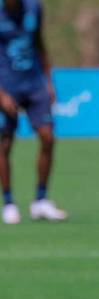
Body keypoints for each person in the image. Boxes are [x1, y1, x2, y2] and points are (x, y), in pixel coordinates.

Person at [0, 0, 65, 225]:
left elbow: (39, 44)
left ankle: (41, 201)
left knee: (48, 137)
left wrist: (49, 80)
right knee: (5, 145)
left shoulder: (34, 8)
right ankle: (8, 202)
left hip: (34, 84)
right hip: (7, 86)